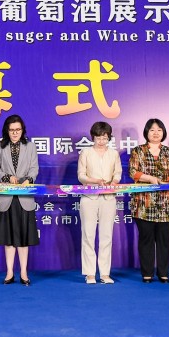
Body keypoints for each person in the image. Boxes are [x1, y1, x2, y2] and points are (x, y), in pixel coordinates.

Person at [129, 118, 169, 284]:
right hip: (144, 202)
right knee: (146, 239)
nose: (156, 133)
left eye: (159, 130)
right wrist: (151, 179)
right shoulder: (138, 151)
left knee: (164, 240)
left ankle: (163, 273)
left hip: (166, 202)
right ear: (146, 132)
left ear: (163, 132)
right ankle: (147, 274)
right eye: (152, 130)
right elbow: (133, 172)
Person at [0, 115, 39, 286]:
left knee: (24, 238)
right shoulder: (0, 147)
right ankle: (9, 272)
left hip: (24, 196)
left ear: (22, 130)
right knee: (8, 237)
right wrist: (6, 177)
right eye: (11, 130)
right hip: (7, 197)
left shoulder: (30, 146)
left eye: (18, 130)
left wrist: (29, 180)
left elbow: (34, 168)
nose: (15, 133)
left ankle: (24, 272)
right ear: (7, 131)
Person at [77, 121, 122, 284]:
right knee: (88, 235)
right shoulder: (86, 153)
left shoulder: (114, 154)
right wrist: (95, 181)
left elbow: (118, 173)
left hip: (108, 198)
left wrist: (114, 182)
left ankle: (104, 273)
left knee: (106, 236)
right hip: (89, 197)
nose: (101, 141)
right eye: (98, 138)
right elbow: (81, 175)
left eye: (105, 137)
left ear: (109, 137)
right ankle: (90, 273)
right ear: (93, 137)